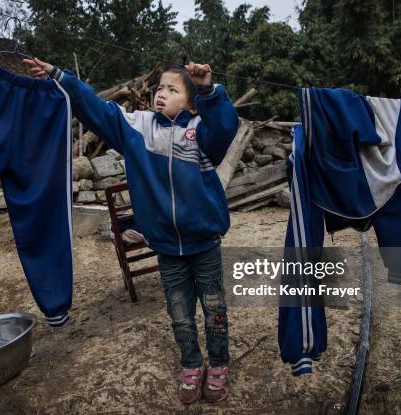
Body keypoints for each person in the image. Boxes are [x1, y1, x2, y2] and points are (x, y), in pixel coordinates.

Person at [23, 57, 239, 404]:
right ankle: (191, 363)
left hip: (204, 243)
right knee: (180, 315)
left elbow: (227, 126)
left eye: (173, 89)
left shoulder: (202, 131)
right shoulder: (137, 128)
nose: (161, 94)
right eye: (159, 88)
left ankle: (219, 364)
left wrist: (208, 91)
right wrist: (62, 77)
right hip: (167, 247)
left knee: (214, 309)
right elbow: (97, 109)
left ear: (190, 100)